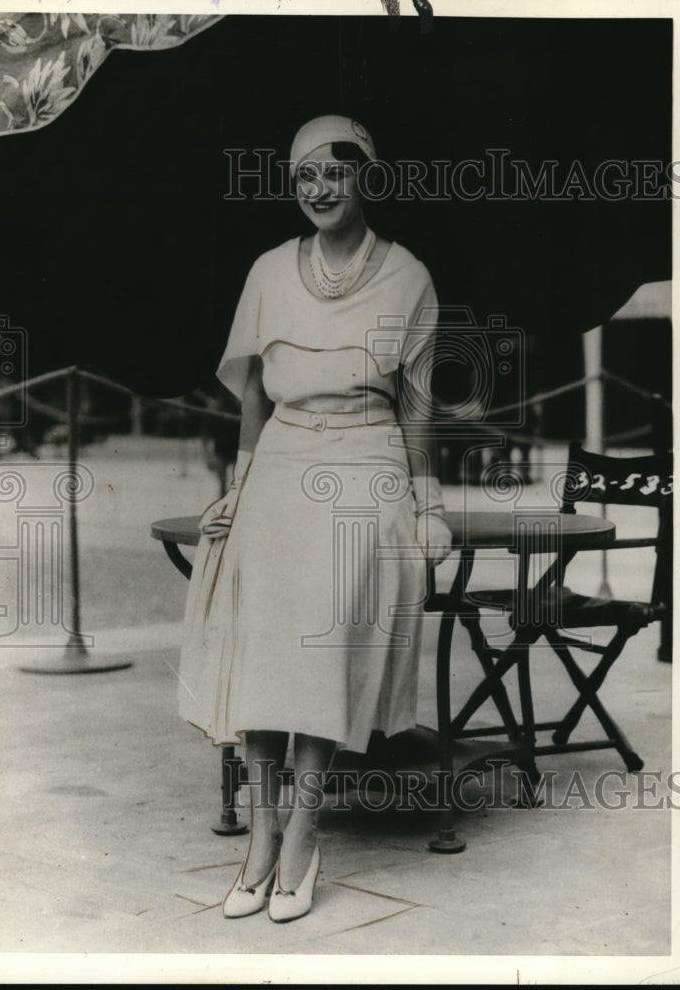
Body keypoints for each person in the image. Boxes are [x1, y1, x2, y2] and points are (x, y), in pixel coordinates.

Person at [178, 115, 453, 923]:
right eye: (304, 178)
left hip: (366, 463)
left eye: (334, 174)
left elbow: (417, 405)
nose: (319, 190)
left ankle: (303, 831)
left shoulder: (408, 276)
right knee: (260, 639)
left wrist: (424, 501)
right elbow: (256, 397)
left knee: (325, 641)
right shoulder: (268, 270)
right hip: (283, 460)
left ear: (367, 175)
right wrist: (241, 485)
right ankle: (260, 838)